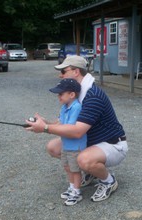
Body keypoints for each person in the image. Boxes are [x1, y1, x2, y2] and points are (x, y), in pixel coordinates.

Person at [26, 55, 128, 202]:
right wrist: (45, 122)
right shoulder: (78, 94)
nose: (60, 75)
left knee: (83, 160)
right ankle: (91, 173)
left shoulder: (92, 96)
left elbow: (77, 131)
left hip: (113, 144)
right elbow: (65, 123)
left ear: (76, 72)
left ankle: (109, 181)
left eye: (64, 71)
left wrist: (45, 128)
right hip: (92, 141)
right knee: (53, 147)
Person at [48, 78, 87, 206]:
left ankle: (77, 192)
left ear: (72, 94)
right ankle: (71, 187)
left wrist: (46, 129)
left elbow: (69, 128)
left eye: (61, 94)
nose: (58, 97)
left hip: (75, 146)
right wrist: (44, 123)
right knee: (67, 167)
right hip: (66, 144)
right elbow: (59, 123)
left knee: (75, 169)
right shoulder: (64, 107)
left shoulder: (76, 107)